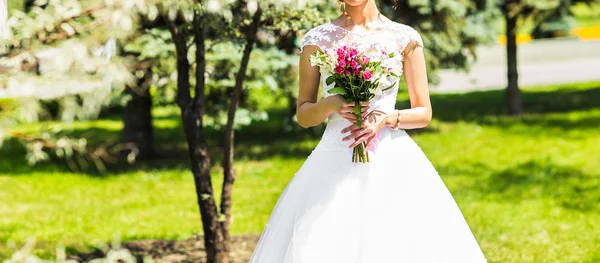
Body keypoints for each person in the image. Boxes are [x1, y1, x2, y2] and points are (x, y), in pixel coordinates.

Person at [249, 0, 487, 262]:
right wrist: (330, 104)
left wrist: (387, 118)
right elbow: (304, 116)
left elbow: (424, 113)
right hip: (333, 158)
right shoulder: (317, 39)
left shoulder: (404, 37)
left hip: (391, 158)